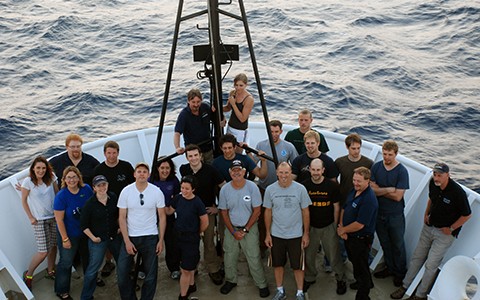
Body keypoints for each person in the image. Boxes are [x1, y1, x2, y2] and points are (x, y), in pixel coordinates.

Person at [390, 163, 471, 300]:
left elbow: (467, 214)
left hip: (444, 235)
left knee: (431, 265)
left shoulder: (457, 193)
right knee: (417, 257)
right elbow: (431, 199)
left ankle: (420, 295)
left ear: (448, 175)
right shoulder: (433, 183)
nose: (436, 178)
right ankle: (405, 286)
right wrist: (426, 214)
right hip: (428, 227)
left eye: (440, 175)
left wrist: (451, 228)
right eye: (435, 174)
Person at [218, 160, 270, 298]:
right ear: (230, 173)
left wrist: (245, 230)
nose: (236, 173)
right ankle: (231, 280)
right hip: (232, 228)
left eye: (239, 170)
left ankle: (261, 283)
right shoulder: (225, 189)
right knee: (229, 256)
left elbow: (257, 210)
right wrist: (233, 231)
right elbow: (224, 212)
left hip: (250, 227)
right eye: (233, 170)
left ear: (244, 171)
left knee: (254, 257)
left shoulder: (252, 187)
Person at [117, 162, 166, 300]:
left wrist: (160, 240)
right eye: (139, 171)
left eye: (145, 172)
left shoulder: (156, 191)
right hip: (131, 237)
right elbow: (122, 218)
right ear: (134, 174)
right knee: (122, 273)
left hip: (150, 237)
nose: (142, 174)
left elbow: (162, 217)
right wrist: (126, 241)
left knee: (150, 276)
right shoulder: (126, 191)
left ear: (148, 174)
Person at [264, 162, 311, 300]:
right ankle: (280, 291)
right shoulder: (270, 190)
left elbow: (305, 212)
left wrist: (306, 233)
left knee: (298, 266)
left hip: (296, 235)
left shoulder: (300, 189)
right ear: (277, 173)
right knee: (278, 264)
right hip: (276, 235)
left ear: (291, 173)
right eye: (281, 172)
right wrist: (267, 233)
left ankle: (300, 292)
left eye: (287, 172)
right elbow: (267, 211)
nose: (284, 176)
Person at [180, 144, 225, 285]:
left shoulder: (211, 170)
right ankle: (192, 267)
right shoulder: (184, 169)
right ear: (187, 158)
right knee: (190, 242)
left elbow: (224, 187)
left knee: (209, 241)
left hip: (207, 211)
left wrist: (218, 208)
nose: (193, 158)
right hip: (190, 212)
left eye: (195, 155)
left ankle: (213, 268)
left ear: (200, 156)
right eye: (190, 156)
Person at [253, 119, 298, 256]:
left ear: (281, 131)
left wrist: (287, 182)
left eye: (276, 132)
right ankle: (262, 247)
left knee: (280, 218)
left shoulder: (289, 147)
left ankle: (280, 248)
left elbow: (295, 166)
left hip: (282, 189)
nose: (274, 134)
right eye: (271, 131)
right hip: (264, 188)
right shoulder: (261, 145)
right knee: (262, 219)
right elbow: (252, 163)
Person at [302, 159, 347, 295]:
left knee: (333, 256)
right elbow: (303, 209)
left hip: (328, 226)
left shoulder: (332, 186)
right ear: (309, 169)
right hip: (312, 227)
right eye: (313, 170)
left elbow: (336, 206)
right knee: (309, 256)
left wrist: (335, 225)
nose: (315, 173)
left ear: (323, 170)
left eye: (318, 170)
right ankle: (310, 277)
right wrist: (305, 229)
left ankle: (340, 278)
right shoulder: (304, 186)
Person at [370, 140, 409, 286]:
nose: (386, 157)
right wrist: (388, 189)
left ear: (396, 154)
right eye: (384, 154)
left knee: (398, 245)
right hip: (379, 213)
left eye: (389, 155)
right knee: (385, 243)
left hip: (395, 215)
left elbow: (398, 196)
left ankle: (400, 273)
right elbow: (371, 190)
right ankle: (390, 268)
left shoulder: (402, 171)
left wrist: (379, 189)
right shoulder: (376, 167)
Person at [94, 140, 134, 277]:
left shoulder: (126, 167)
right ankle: (109, 261)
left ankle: (131, 262)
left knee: (127, 234)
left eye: (114, 153)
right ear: (104, 153)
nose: (111, 156)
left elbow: (134, 187)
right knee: (110, 235)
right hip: (108, 208)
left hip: (126, 207)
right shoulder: (99, 170)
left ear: (118, 153)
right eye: (109, 153)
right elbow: (95, 191)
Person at [337, 167, 378, 300]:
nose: (355, 183)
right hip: (350, 236)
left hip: (361, 239)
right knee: (355, 262)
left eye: (359, 181)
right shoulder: (354, 191)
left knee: (362, 267)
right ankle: (362, 282)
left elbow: (360, 224)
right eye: (354, 180)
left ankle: (363, 295)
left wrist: (343, 230)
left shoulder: (369, 199)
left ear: (368, 181)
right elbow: (345, 207)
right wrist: (342, 225)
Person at [54, 166, 94, 300]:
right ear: (64, 179)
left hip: (85, 233)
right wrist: (65, 239)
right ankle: (62, 290)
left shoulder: (86, 189)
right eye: (68, 177)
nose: (72, 180)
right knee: (66, 263)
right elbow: (59, 220)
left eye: (74, 177)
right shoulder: (61, 196)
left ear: (79, 178)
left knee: (89, 260)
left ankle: (90, 284)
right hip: (69, 234)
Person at [166, 175, 209, 300]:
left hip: (190, 239)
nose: (184, 191)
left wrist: (196, 232)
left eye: (187, 189)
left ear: (193, 189)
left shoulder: (197, 202)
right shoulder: (178, 199)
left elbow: (205, 222)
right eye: (182, 188)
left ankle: (183, 296)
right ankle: (191, 285)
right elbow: (169, 211)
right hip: (178, 237)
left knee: (185, 270)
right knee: (186, 266)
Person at [80, 175, 121, 300]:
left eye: (104, 184)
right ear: (94, 188)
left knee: (123, 263)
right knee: (93, 269)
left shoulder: (113, 197)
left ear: (107, 185)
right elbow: (83, 225)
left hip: (114, 237)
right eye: (99, 185)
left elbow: (119, 213)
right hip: (98, 240)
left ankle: (127, 289)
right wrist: (93, 238)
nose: (102, 187)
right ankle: (86, 297)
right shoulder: (89, 204)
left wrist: (119, 227)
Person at [21, 156, 59, 290]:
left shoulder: (52, 177)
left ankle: (50, 271)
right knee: (43, 251)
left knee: (54, 245)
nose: (41, 170)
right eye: (38, 168)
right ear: (33, 169)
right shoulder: (28, 182)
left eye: (43, 168)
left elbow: (57, 193)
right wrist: (31, 217)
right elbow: (24, 201)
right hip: (39, 220)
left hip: (54, 217)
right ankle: (29, 275)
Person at [151, 157, 181, 280]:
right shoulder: (151, 180)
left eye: (167, 168)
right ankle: (144, 268)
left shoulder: (174, 181)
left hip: (168, 215)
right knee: (151, 242)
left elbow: (178, 196)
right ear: (157, 168)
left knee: (171, 242)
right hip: (152, 216)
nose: (165, 170)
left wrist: (171, 209)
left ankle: (174, 267)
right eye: (162, 168)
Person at [174, 88, 216, 163]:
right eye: (193, 102)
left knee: (211, 169)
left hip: (208, 148)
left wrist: (221, 117)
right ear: (188, 101)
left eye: (198, 102)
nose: (196, 105)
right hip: (193, 152)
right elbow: (177, 133)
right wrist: (177, 147)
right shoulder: (184, 115)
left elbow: (216, 120)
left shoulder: (205, 107)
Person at [334, 133, 374, 207]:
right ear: (347, 147)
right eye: (353, 148)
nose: (356, 151)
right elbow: (333, 179)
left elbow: (371, 183)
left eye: (358, 148)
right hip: (343, 198)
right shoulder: (339, 162)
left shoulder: (369, 163)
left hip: (361, 201)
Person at [223, 73, 254, 150]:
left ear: (246, 85)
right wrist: (217, 108)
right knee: (228, 150)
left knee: (237, 153)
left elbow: (243, 119)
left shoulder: (249, 99)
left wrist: (234, 104)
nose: (238, 88)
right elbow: (228, 108)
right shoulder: (233, 93)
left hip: (240, 131)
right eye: (236, 85)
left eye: (241, 85)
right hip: (230, 127)